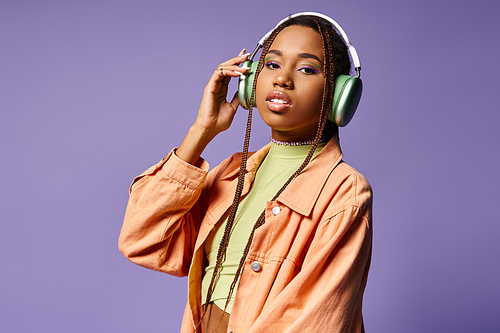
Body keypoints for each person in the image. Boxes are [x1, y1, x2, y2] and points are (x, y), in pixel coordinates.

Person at [119, 12, 372, 333]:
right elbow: (142, 241)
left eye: (307, 69)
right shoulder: (232, 173)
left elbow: (318, 320)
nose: (282, 79)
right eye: (271, 64)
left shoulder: (345, 191)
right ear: (250, 81)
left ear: (339, 96)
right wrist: (202, 131)